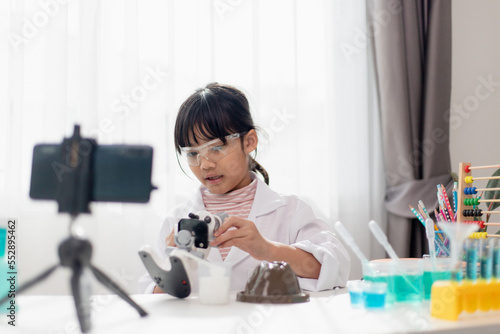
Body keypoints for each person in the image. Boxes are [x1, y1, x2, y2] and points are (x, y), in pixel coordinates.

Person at [138, 83, 350, 293]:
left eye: (217, 147)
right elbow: (149, 295)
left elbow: (335, 268)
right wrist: (174, 272)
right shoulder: (176, 221)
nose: (205, 164)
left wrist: (267, 249)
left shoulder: (291, 211)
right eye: (193, 153)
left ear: (249, 141)